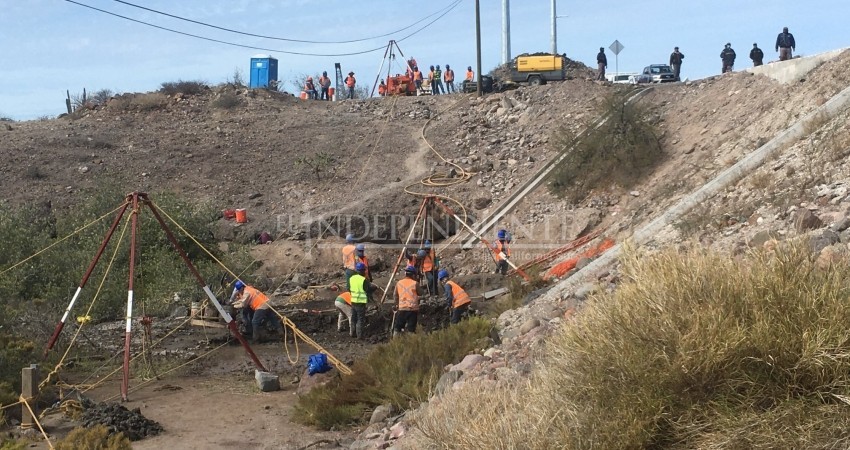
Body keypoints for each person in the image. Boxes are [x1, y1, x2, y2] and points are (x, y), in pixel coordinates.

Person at [392, 266, 423, 337]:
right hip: (413, 309)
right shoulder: (415, 283)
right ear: (413, 275)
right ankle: (412, 344)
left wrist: (396, 304)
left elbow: (395, 295)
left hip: (402, 308)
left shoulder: (399, 283)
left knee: (397, 328)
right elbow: (421, 293)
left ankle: (395, 343)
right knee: (411, 330)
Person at [349, 262, 377, 339]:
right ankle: (359, 336)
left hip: (353, 301)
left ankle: (352, 333)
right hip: (360, 302)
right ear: (362, 271)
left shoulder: (352, 278)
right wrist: (374, 288)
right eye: (364, 270)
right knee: (360, 319)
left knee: (353, 318)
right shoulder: (363, 280)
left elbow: (349, 288)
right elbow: (367, 289)